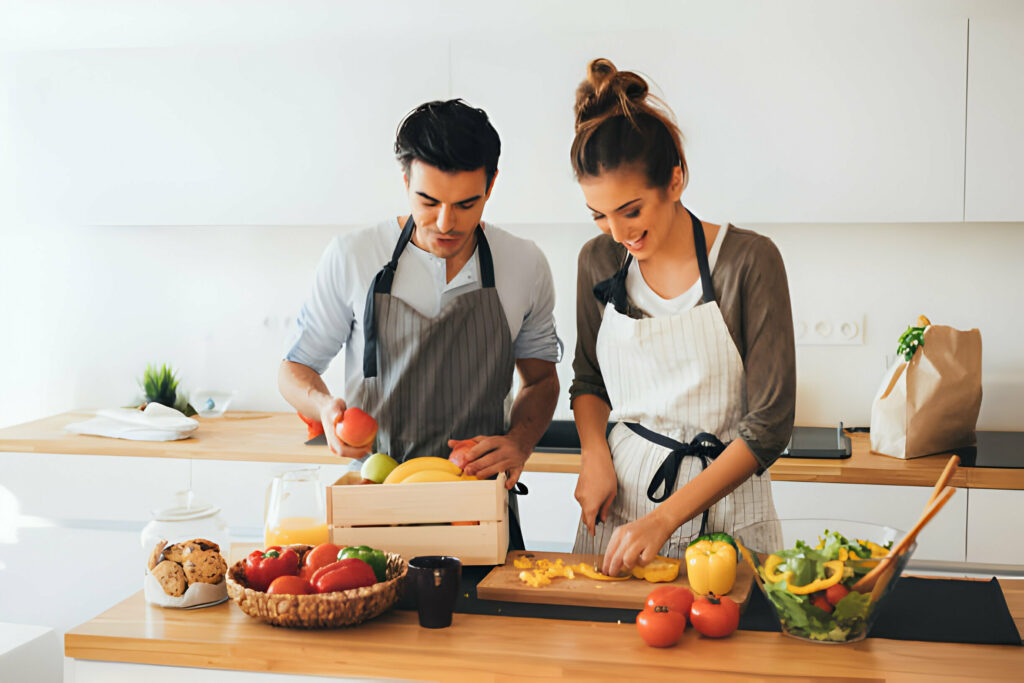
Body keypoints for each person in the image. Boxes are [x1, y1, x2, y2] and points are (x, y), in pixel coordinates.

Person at [279, 99, 561, 547]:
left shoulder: (524, 263)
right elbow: (295, 368)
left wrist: (520, 442)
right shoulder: (353, 256)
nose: (446, 223)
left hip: (480, 510)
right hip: (374, 503)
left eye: (467, 204)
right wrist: (324, 409)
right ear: (405, 179)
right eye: (428, 201)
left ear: (491, 185)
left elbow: (542, 381)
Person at [568, 59, 795, 576]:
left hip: (727, 512)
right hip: (618, 507)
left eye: (631, 210)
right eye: (599, 214)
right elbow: (588, 380)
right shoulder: (598, 261)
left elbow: (769, 428)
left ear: (675, 181)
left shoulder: (747, 261)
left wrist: (664, 519)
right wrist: (593, 456)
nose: (617, 231)